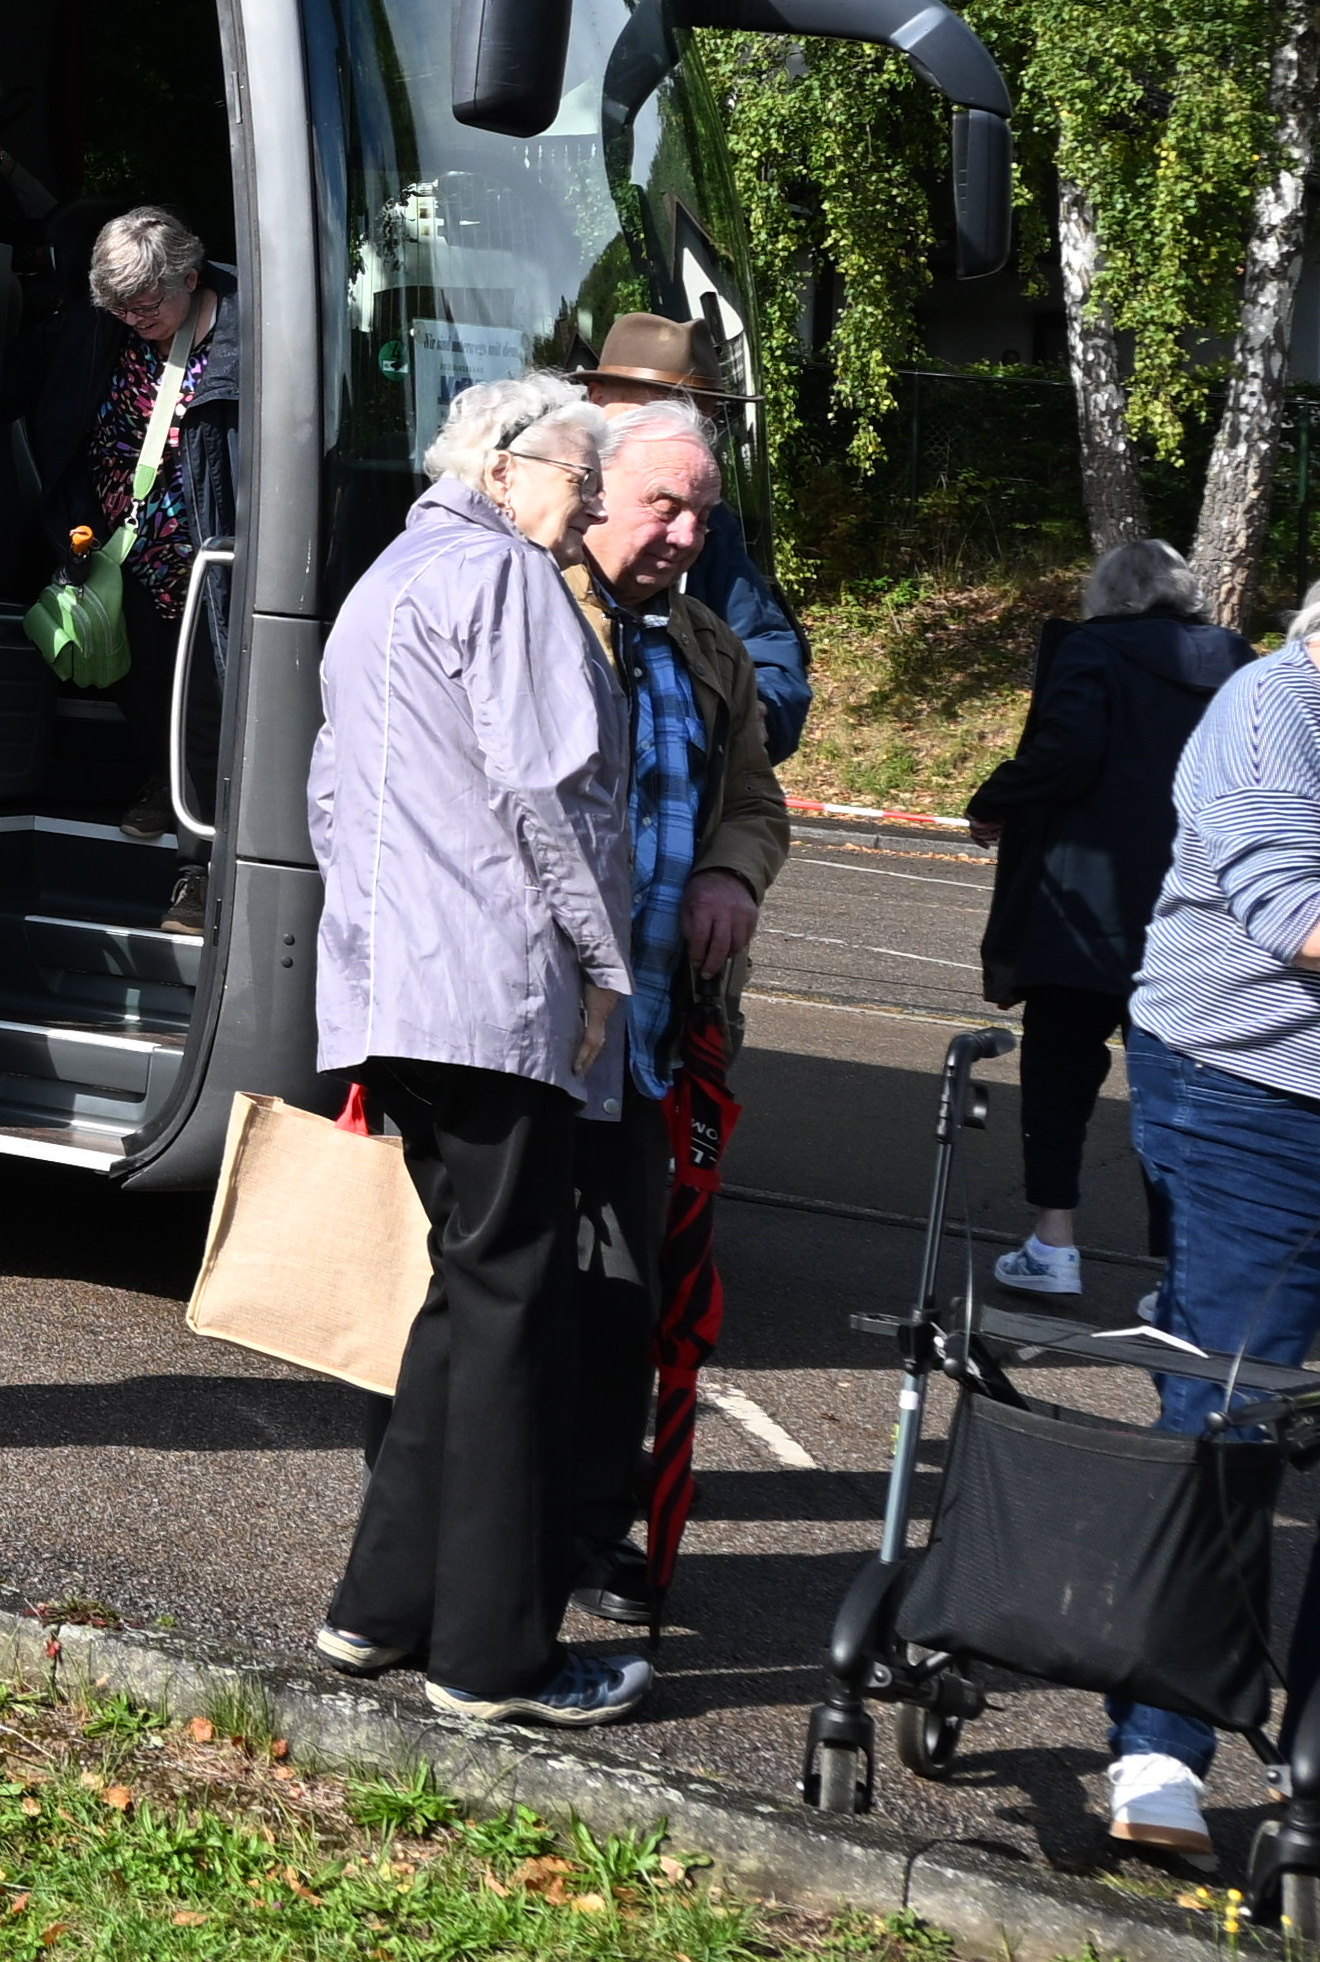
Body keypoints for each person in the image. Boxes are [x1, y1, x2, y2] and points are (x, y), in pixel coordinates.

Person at [1097, 499, 1320, 1866]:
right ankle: (1162, 1746)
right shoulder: (1271, 710)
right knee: (1228, 1418)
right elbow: (1297, 915)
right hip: (1252, 1106)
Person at [309, 374, 652, 1729]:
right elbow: (558, 797)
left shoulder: (388, 579)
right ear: (508, 467)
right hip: (493, 995)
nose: (590, 509)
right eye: (581, 474)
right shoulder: (506, 580)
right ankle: (491, 1659)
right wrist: (607, 975)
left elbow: (335, 793)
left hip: (397, 997)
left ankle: (379, 1611)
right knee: (515, 1310)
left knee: (467, 1296)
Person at [553, 398, 786, 1629]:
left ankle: (589, 1539)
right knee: (496, 1298)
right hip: (529, 1038)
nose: (689, 531)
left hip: (649, 1048)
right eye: (665, 503)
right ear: (595, 493)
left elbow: (754, 798)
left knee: (621, 1302)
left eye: (704, 510)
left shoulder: (707, 645)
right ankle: (463, 1530)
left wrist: (728, 871)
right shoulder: (535, 612)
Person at [966, 536, 1247, 1303]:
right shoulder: (1237, 660)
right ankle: (1179, 1272)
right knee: (1179, 1092)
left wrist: (995, 799)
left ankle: (1054, 1242)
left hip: (1087, 901)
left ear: (1106, 592)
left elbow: (1066, 750)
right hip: (1197, 907)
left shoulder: (1092, 652)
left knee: (1059, 1072)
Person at [23, 207, 237, 867]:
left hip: (208, 558)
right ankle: (164, 779)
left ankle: (197, 869)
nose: (134, 322)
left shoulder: (247, 336)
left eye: (146, 308)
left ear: (190, 279)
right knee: (134, 686)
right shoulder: (102, 328)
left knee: (202, 710)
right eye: (119, 310)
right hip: (122, 553)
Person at [578, 315, 814, 756]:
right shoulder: (524, 508)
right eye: (660, 406)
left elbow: (766, 648)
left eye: (698, 415)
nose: (678, 426)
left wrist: (757, 709)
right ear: (597, 396)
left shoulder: (707, 527)